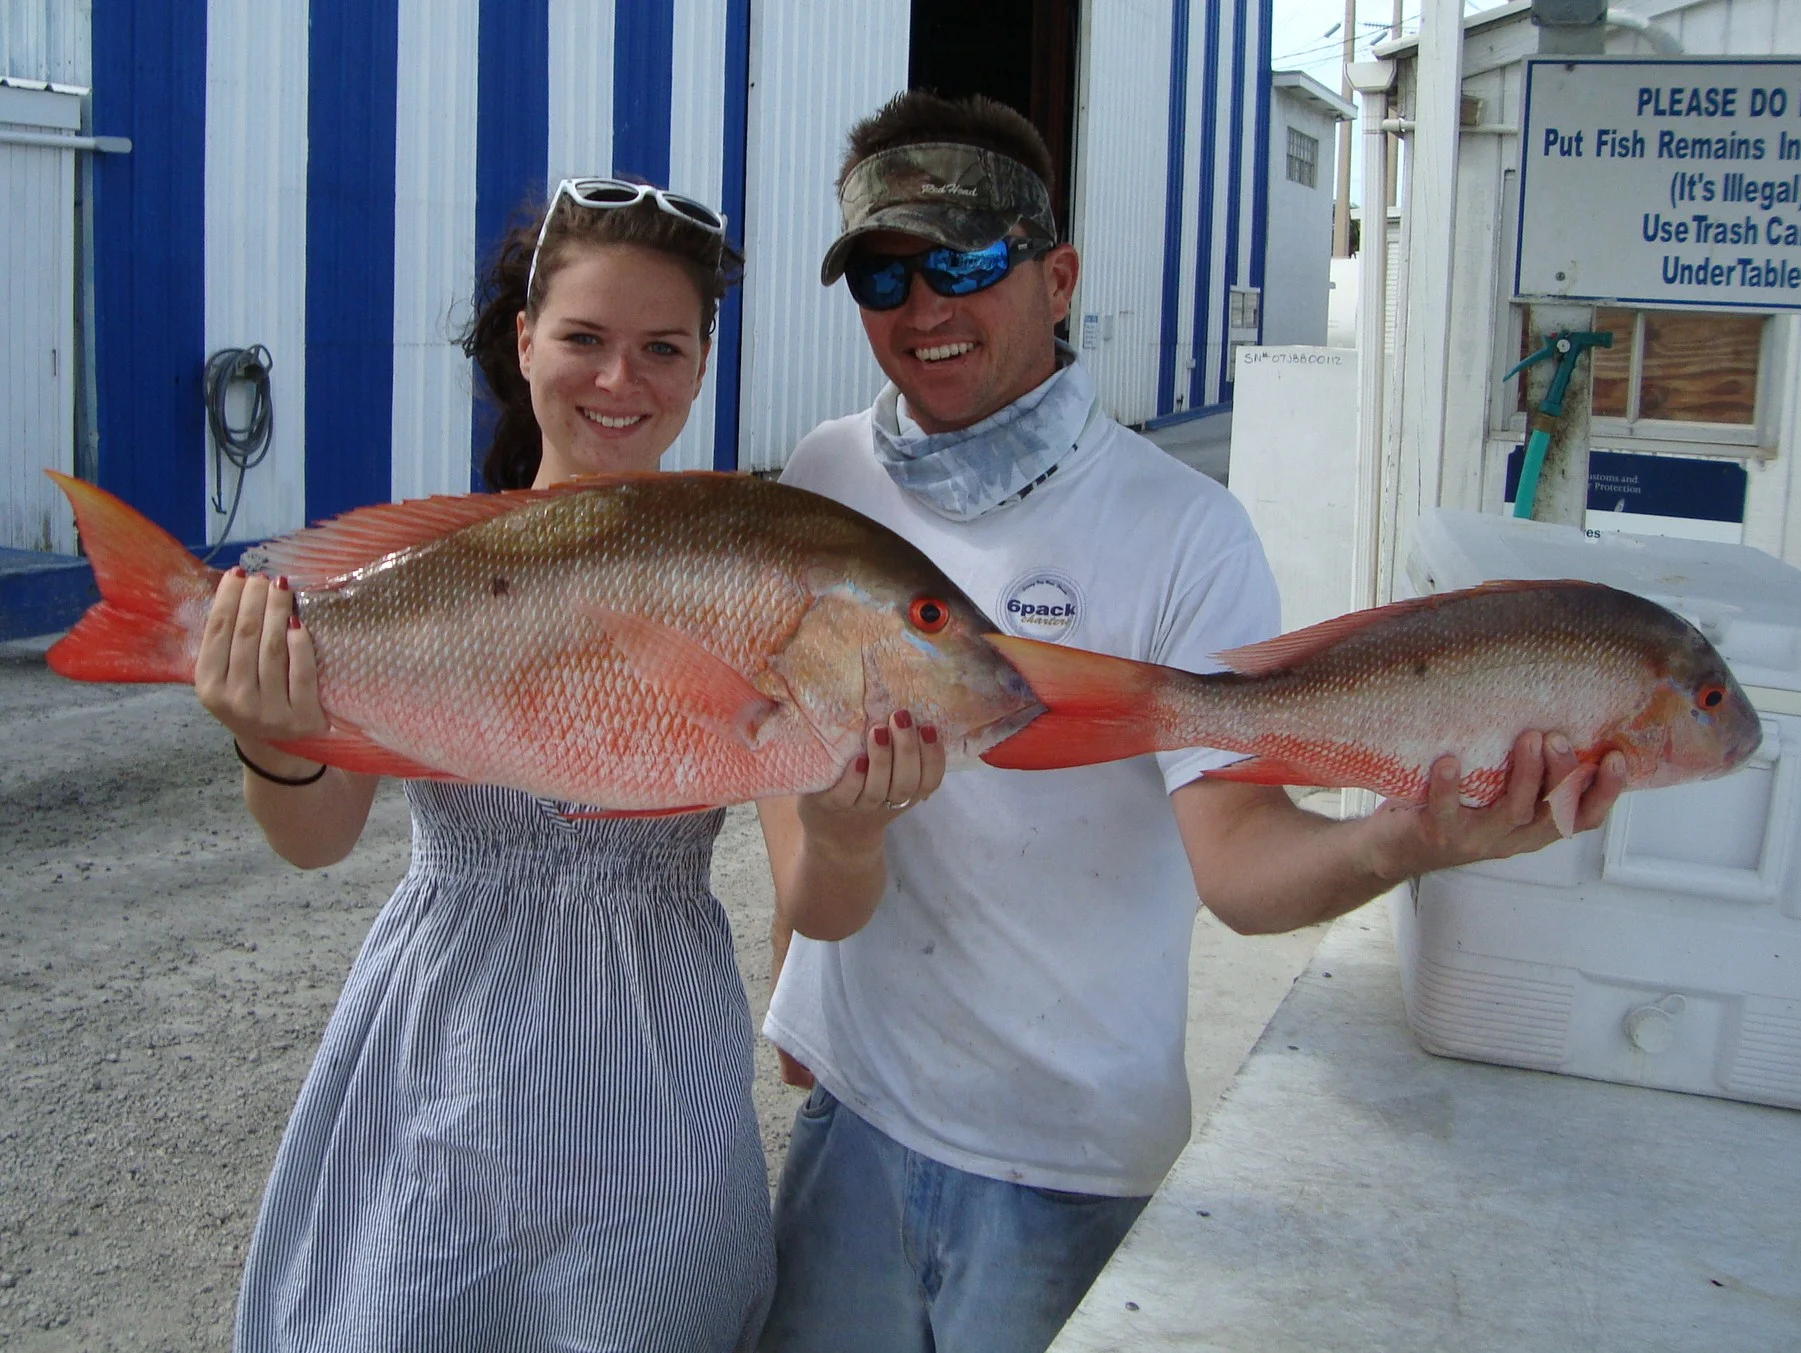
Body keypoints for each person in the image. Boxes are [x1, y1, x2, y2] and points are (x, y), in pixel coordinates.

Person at [754, 92, 1628, 1353]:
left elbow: (1240, 863)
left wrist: (1408, 839)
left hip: (1062, 1167)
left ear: (1059, 278)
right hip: (852, 1121)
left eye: (965, 262)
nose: (924, 307)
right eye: (884, 277)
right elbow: (784, 748)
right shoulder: (823, 476)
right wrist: (796, 977)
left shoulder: (1184, 533)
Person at [195, 179, 775, 1352]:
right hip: (442, 1040)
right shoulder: (439, 567)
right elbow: (314, 839)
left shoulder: (749, 571)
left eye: (662, 348)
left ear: (703, 364)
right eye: (584, 339)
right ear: (524, 343)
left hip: (654, 1055)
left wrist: (856, 828)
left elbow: (822, 889)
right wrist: (269, 733)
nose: (620, 379)